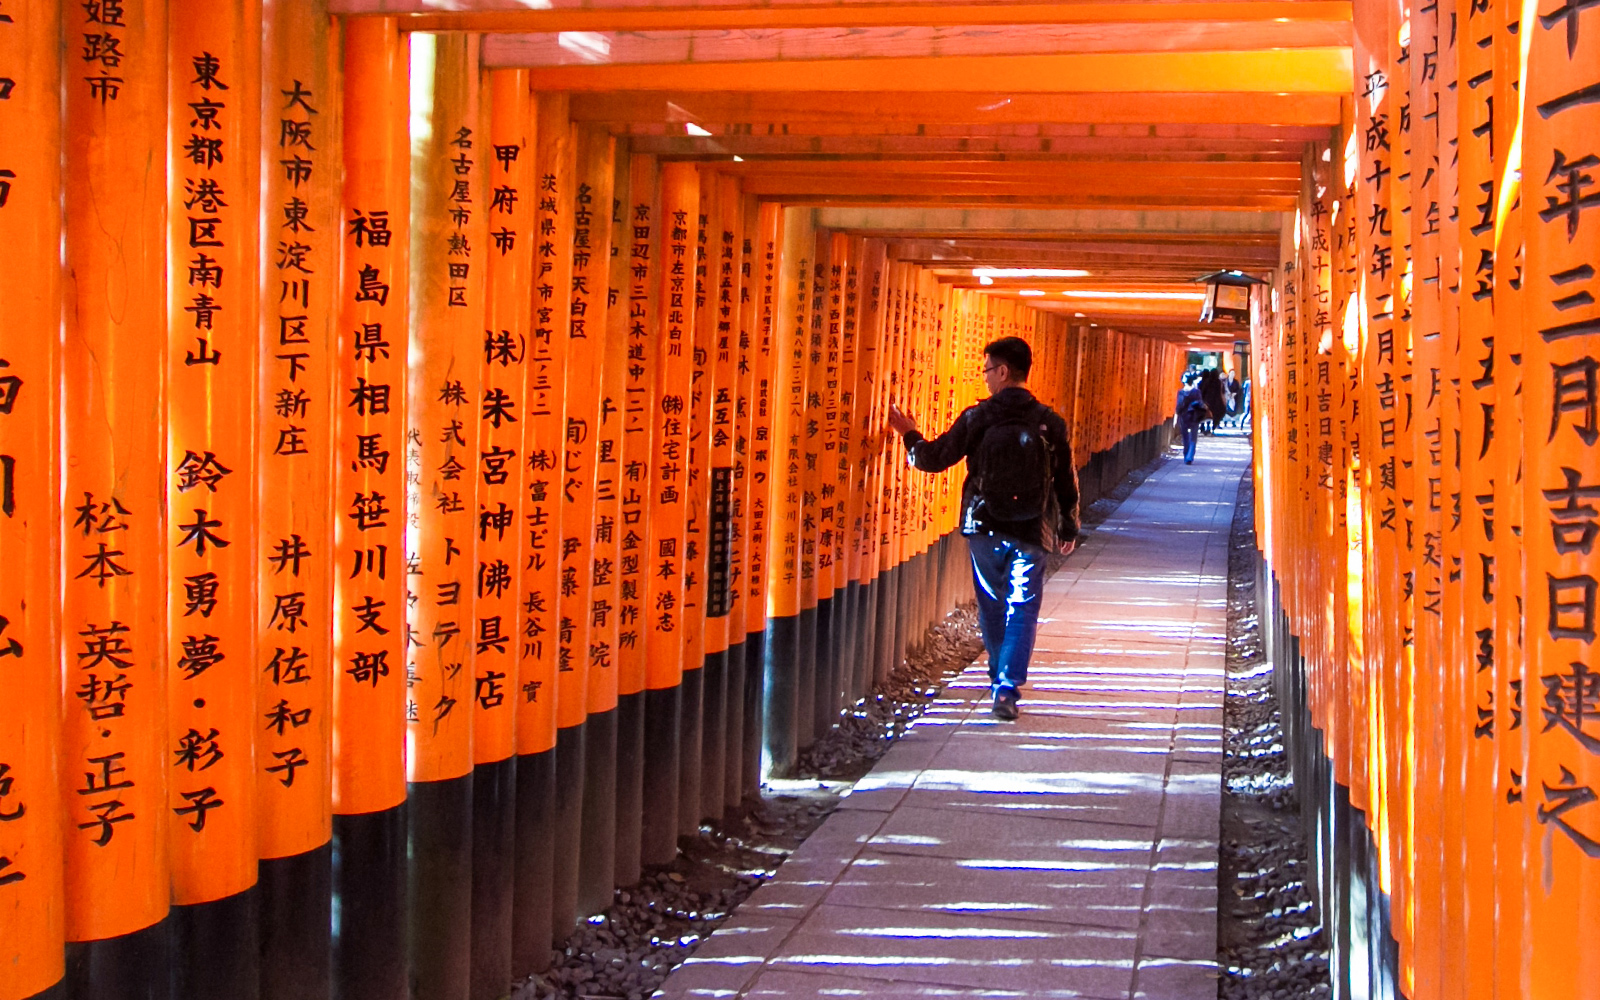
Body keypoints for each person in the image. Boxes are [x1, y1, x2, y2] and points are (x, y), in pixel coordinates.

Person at [886, 336, 1079, 721]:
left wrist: (909, 433)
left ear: (1003, 371)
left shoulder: (978, 417)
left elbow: (934, 458)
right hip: (1033, 528)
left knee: (992, 604)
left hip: (984, 526)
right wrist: (1068, 527)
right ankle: (1006, 687)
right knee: (1023, 607)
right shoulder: (1050, 422)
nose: (985, 377)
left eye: (988, 369)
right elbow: (1065, 479)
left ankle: (998, 678)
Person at [1176, 375, 1207, 464]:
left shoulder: (1181, 392)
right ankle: (1190, 456)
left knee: (1185, 436)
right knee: (1193, 437)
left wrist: (1176, 417)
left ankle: (1186, 454)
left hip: (1183, 416)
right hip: (1194, 416)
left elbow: (1178, 406)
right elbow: (1200, 403)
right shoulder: (1196, 392)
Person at [1198, 368, 1226, 435]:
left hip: (1207, 400)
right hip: (1217, 401)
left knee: (1207, 414)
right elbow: (1222, 392)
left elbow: (1203, 391)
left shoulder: (1206, 382)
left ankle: (1203, 426)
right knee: (1215, 415)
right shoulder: (1219, 382)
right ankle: (1212, 427)